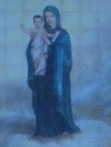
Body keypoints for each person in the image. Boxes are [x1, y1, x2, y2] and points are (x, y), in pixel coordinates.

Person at [27, 5, 80, 137]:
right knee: (43, 101)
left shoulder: (64, 34)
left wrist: (63, 66)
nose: (49, 19)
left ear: (57, 17)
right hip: (43, 74)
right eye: (46, 16)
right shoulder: (41, 32)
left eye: (52, 16)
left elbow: (68, 56)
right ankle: (43, 129)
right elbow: (30, 50)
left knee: (57, 98)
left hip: (58, 75)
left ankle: (61, 127)